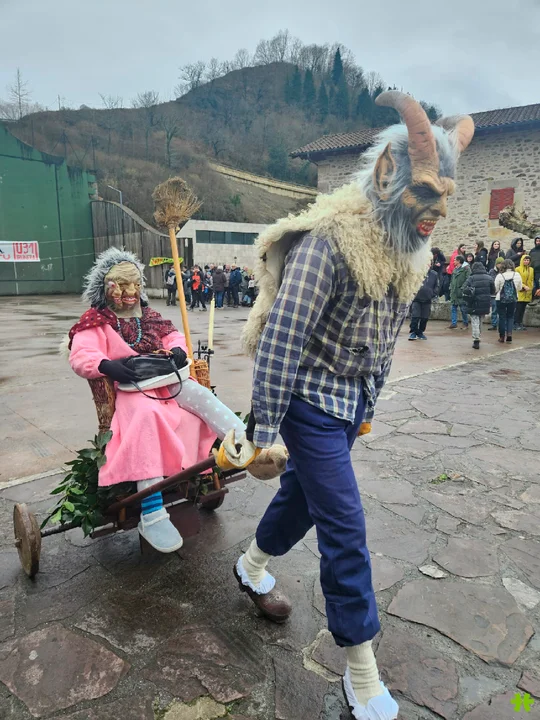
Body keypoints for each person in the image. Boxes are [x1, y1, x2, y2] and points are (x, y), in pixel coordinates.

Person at [234, 92, 474, 720]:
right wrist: (264, 428)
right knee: (345, 524)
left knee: (303, 499)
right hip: (305, 401)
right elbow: (282, 338)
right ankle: (361, 671)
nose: (438, 211)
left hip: (346, 403)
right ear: (388, 175)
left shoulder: (404, 255)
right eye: (425, 193)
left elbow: (384, 340)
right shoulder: (330, 244)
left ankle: (251, 565)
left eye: (445, 196)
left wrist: (368, 404)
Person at [67, 248, 286, 552]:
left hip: (165, 378)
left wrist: (179, 350)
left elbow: (173, 337)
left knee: (201, 395)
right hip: (129, 389)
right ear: (107, 287)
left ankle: (249, 450)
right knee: (147, 416)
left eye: (135, 285)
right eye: (123, 286)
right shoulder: (96, 321)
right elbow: (81, 355)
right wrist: (105, 365)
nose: (131, 293)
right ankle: (152, 512)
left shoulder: (149, 316)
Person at [462, 262, 495, 349]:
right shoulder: (489, 278)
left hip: (474, 302)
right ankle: (478, 335)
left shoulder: (471, 278)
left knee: (475, 321)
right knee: (480, 321)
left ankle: (476, 339)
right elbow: (493, 290)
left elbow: (464, 288)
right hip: (485, 302)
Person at [495, 259, 522, 343]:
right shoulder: (517, 275)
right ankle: (509, 334)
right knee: (510, 316)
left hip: (501, 298)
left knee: (502, 317)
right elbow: (520, 287)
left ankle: (502, 336)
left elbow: (496, 288)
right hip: (513, 298)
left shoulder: (500, 276)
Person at [409, 267, 439, 340]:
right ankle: (413, 332)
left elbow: (437, 286)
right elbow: (411, 283)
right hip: (416, 298)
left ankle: (420, 332)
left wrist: (432, 294)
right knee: (415, 316)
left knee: (424, 318)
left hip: (427, 299)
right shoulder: (417, 272)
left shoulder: (434, 274)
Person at [449, 255, 471, 329]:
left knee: (463, 309)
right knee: (453, 308)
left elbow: (468, 279)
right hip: (454, 292)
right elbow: (452, 280)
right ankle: (454, 323)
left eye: (455, 260)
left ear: (458, 261)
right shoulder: (455, 269)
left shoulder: (466, 269)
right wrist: (451, 287)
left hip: (461, 293)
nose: (453, 261)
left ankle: (465, 323)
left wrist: (463, 288)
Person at [514, 254, 534, 330]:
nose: (526, 261)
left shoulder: (531, 269)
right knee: (518, 309)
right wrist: (523, 286)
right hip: (520, 291)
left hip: (527, 292)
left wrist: (530, 288)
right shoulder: (517, 269)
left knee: (523, 309)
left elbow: (531, 280)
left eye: (528, 260)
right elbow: (517, 280)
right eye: (525, 260)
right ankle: (516, 323)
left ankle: (520, 323)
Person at [488, 256, 506, 330]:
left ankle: (502, 324)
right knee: (494, 310)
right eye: (499, 263)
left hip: (502, 294)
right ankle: (494, 324)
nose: (500, 265)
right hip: (494, 294)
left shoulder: (505, 272)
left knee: (502, 310)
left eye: (502, 263)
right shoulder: (492, 271)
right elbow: (491, 281)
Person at [528, 236, 540, 301]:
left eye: (539, 241)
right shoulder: (532, 251)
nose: (538, 242)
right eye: (537, 241)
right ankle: (535, 297)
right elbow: (529, 260)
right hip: (533, 271)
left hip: (539, 271)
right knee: (534, 284)